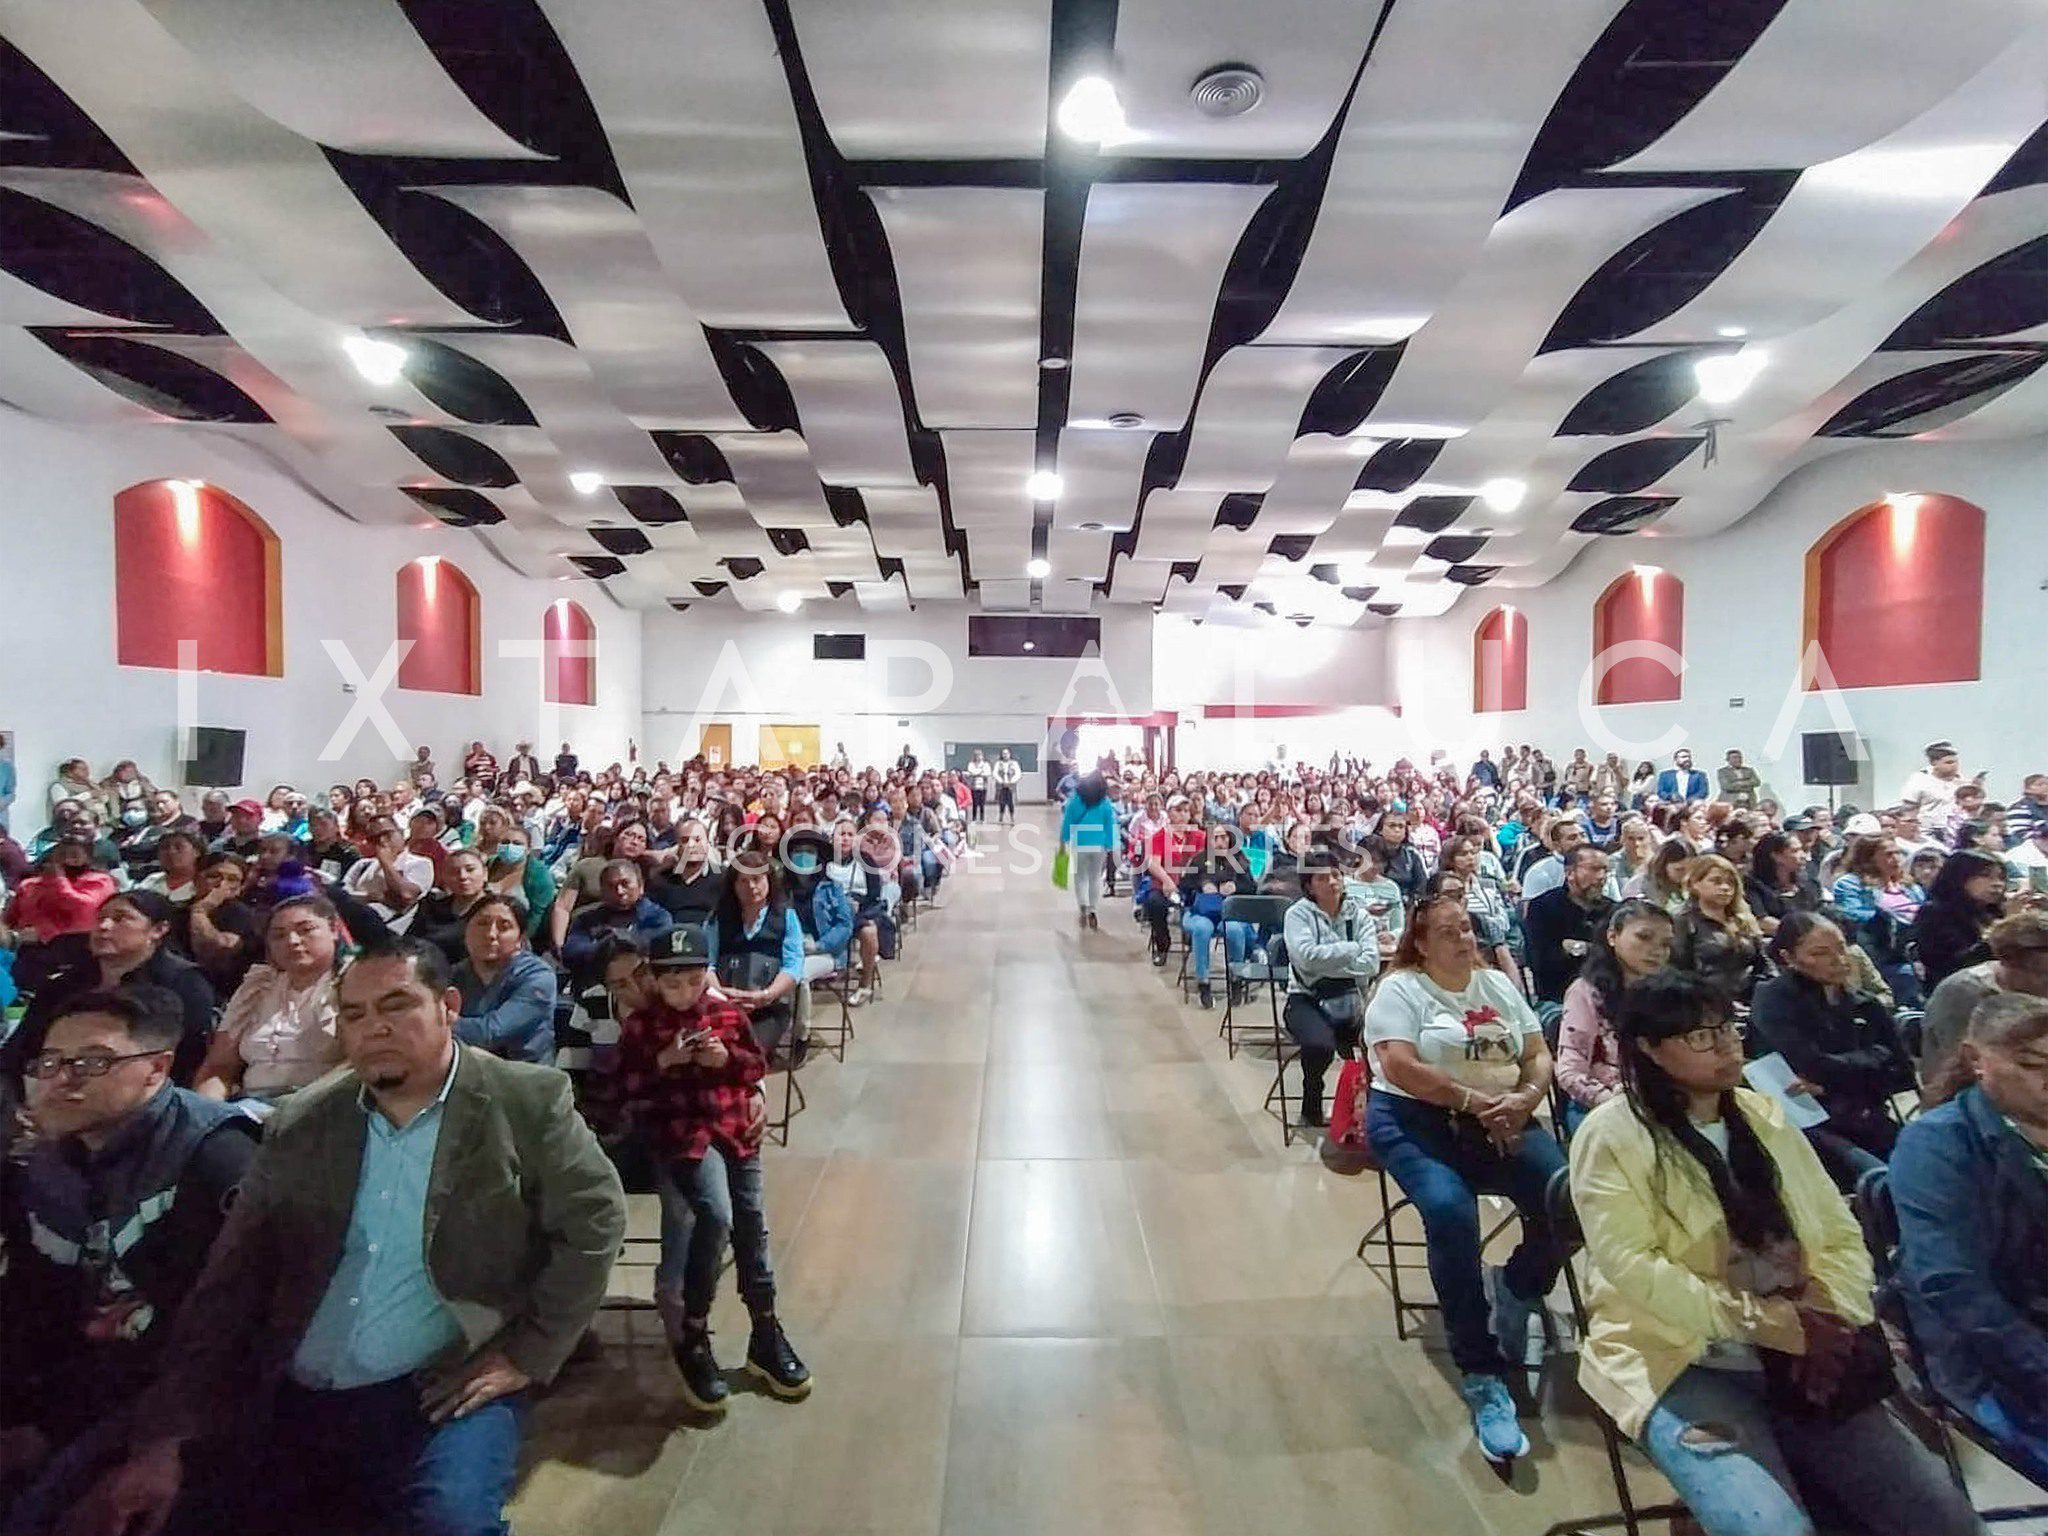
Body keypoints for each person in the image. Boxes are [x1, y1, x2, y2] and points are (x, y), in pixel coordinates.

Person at [64, 935, 626, 1536]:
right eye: (354, 1014)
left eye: (396, 1005)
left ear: (449, 1005)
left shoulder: (523, 1100)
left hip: (442, 1380)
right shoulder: (305, 1120)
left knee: (448, 1523)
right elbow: (232, 1280)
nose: (373, 1028)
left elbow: (596, 1218)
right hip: (300, 1381)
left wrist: (531, 1350)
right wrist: (167, 1433)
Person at [1569, 969, 1977, 1536]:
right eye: (1702, 1037)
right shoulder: (1614, 1135)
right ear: (1648, 1049)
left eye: (1729, 1030)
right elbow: (1635, 1271)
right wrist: (1778, 1325)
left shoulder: (1760, 1114)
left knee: (1943, 1521)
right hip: (1682, 1357)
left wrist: (1830, 1314)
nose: (1726, 1047)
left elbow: (1835, 1229)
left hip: (1807, 1347)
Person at [0, 989, 260, 1533]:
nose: (64, 1078)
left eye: (93, 1062)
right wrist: (25, 1416)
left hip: (178, 1409)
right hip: (75, 1385)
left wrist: (160, 1447)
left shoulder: (215, 1157)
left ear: (156, 1069)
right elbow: (31, 1299)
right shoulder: (53, 1158)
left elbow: (227, 1334)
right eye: (50, 1063)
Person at [1363, 894, 1565, 1463]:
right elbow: (1400, 1065)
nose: (1464, 939)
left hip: (1505, 1115)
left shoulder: (1496, 985)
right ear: (1421, 942)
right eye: (1449, 932)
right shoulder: (1400, 989)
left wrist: (1525, 1099)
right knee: (1451, 1212)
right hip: (1417, 1120)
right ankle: (1481, 1369)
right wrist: (1473, 1099)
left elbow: (1536, 1052)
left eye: (1468, 928)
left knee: (1567, 1199)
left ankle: (1519, 1285)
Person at [610, 924, 810, 1412]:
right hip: (682, 1138)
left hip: (735, 1130)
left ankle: (765, 1330)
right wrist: (665, 1061)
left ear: (706, 976)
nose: (683, 993)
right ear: (653, 979)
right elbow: (625, 1091)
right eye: (672, 982)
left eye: (693, 980)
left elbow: (752, 1066)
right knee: (714, 1216)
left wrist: (723, 1059)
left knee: (752, 1228)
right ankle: (693, 1333)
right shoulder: (642, 1027)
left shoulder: (724, 1013)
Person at [1893, 992, 2048, 1485]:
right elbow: (1953, 1284)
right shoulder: (1937, 1144)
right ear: (1977, 1060)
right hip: (1998, 1359)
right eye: (2032, 1064)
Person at [1750, 912, 1917, 1189]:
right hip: (1809, 1125)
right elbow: (1810, 1064)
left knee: (1929, 1167)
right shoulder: (1773, 999)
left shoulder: (1866, 1005)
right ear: (1789, 957)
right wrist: (1875, 1058)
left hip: (1867, 1114)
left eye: (1841, 948)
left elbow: (1903, 1075)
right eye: (1820, 953)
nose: (1838, 959)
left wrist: (1831, 1083)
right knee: (1883, 1180)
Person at [2, 891, 217, 1104]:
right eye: (100, 918)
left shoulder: (185, 984)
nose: (103, 927)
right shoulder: (63, 985)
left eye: (120, 919)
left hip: (138, 1101)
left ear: (158, 930)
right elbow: (19, 1050)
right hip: (47, 1093)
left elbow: (188, 1062)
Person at [194, 895, 344, 1103]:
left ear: (334, 930)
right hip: (250, 1107)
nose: (292, 941)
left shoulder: (352, 983)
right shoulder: (258, 986)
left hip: (322, 1106)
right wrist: (208, 1112)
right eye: (278, 935)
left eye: (306, 930)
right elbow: (219, 1067)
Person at [1282, 850, 1381, 1127]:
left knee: (1385, 1042)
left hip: (1351, 997)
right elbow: (1306, 959)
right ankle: (1311, 1101)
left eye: (1336, 875)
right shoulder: (1297, 915)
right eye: (1323, 878)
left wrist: (1328, 961)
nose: (1333, 883)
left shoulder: (1358, 915)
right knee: (1319, 1045)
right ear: (1309, 885)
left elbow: (1371, 963)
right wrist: (1351, 949)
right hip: (1306, 997)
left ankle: (1367, 1108)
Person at [1557, 900, 1674, 1121]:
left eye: (1666, 944)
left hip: (1664, 1098)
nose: (1657, 951)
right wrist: (1616, 1103)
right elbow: (1570, 1071)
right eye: (1644, 937)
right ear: (1612, 937)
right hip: (1603, 1103)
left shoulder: (1670, 992)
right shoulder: (1586, 992)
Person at [1918, 910, 2048, 1083]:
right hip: (1974, 1089)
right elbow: (1966, 1067)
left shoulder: (2031, 987)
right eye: (2043, 974)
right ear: (2008, 961)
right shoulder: (1964, 994)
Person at [706, 853, 807, 1059]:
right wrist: (723, 995)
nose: (751, 887)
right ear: (733, 885)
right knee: (713, 1050)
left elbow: (793, 966)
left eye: (757, 880)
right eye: (743, 881)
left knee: (748, 1052)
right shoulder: (718, 918)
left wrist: (767, 995)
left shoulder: (785, 916)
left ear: (768, 881)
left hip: (769, 1007)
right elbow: (708, 964)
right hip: (724, 1003)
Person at [453, 893, 558, 1064]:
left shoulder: (537, 976)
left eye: (504, 926)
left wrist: (442, 1024)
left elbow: (492, 1033)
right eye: (482, 923)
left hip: (524, 1075)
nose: (491, 934)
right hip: (469, 1072)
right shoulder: (454, 975)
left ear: (520, 939)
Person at [561, 860, 674, 992]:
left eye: (625, 884)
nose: (620, 891)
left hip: (641, 991)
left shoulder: (658, 917)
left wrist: (607, 943)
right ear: (602, 890)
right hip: (593, 990)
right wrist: (608, 944)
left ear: (640, 886)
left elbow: (654, 948)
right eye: (611, 886)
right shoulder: (586, 919)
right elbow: (571, 953)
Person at [1671, 853, 1770, 1004]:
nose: (1725, 888)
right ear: (1695, 884)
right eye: (1716, 881)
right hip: (1706, 1004)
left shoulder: (1743, 919)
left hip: (1750, 1000)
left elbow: (1763, 963)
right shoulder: (1683, 921)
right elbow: (1679, 973)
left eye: (1730, 883)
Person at [1524, 845, 1614, 1005]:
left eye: (1605, 870)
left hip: (1610, 996)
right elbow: (1538, 960)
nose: (1601, 876)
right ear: (1570, 873)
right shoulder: (1543, 907)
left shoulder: (1613, 910)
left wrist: (1578, 948)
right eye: (1594, 869)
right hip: (1559, 999)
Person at [1912, 847, 2007, 988]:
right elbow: (1957, 966)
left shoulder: (1994, 911)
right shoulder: (1933, 913)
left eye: (2001, 877)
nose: (1997, 883)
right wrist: (2006, 926)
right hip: (1961, 991)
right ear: (1959, 877)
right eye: (1986, 875)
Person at [1058, 770, 1118, 932]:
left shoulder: (1075, 800)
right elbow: (1110, 824)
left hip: (1080, 842)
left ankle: (1082, 905)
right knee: (1095, 878)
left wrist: (1063, 841)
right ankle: (1093, 909)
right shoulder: (1105, 802)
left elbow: (1067, 822)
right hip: (1099, 844)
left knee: (1080, 877)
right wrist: (1111, 845)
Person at [1899, 740, 1978, 837]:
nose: (1954, 766)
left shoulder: (1963, 782)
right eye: (1948, 763)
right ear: (1934, 762)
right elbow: (1908, 810)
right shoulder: (1919, 780)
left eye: (1956, 762)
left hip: (1958, 833)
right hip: (1928, 833)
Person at [993, 748, 1021, 825]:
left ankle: (1012, 818)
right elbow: (995, 773)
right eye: (1004, 753)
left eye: (1007, 753)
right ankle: (1001, 817)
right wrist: (1001, 781)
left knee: (1011, 802)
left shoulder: (1014, 763)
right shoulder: (998, 763)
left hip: (1011, 786)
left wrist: (1011, 781)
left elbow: (1018, 774)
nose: (1005, 755)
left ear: (1010, 754)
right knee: (1001, 802)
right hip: (1001, 785)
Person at [966, 749, 991, 824]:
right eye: (977, 755)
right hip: (974, 787)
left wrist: (977, 773)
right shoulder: (971, 764)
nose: (978, 757)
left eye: (980, 755)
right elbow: (971, 771)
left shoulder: (986, 764)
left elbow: (987, 773)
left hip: (983, 787)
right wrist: (979, 772)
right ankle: (974, 819)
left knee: (982, 804)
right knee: (975, 803)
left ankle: (982, 819)